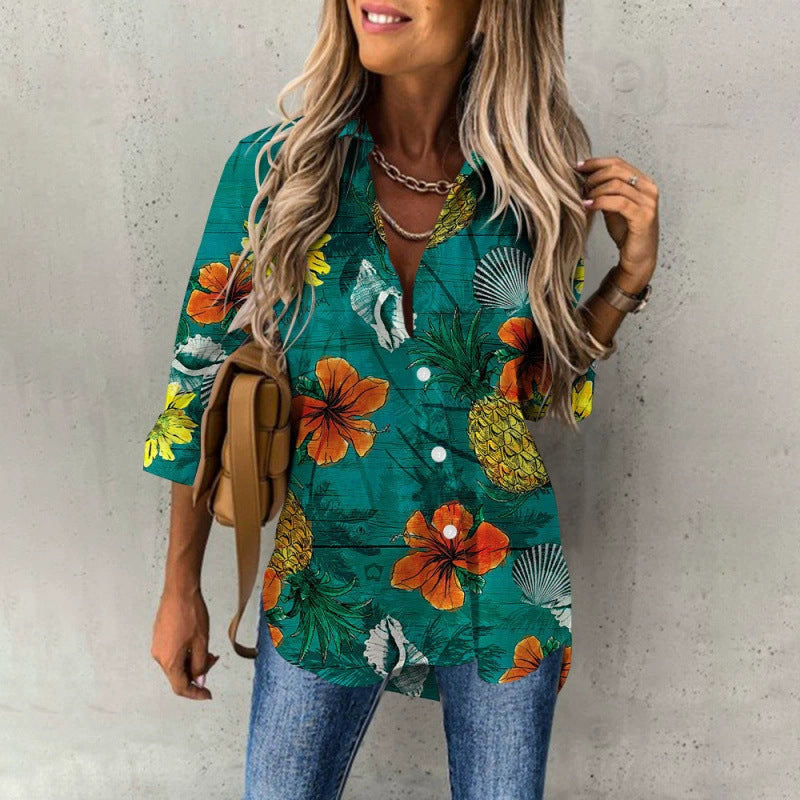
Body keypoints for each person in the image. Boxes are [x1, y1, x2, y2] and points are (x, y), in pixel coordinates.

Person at [144, 1, 660, 798]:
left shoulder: (535, 185)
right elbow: (196, 388)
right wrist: (181, 588)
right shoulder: (274, 170)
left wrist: (627, 279)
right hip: (324, 585)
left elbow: (533, 396)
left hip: (501, 589)